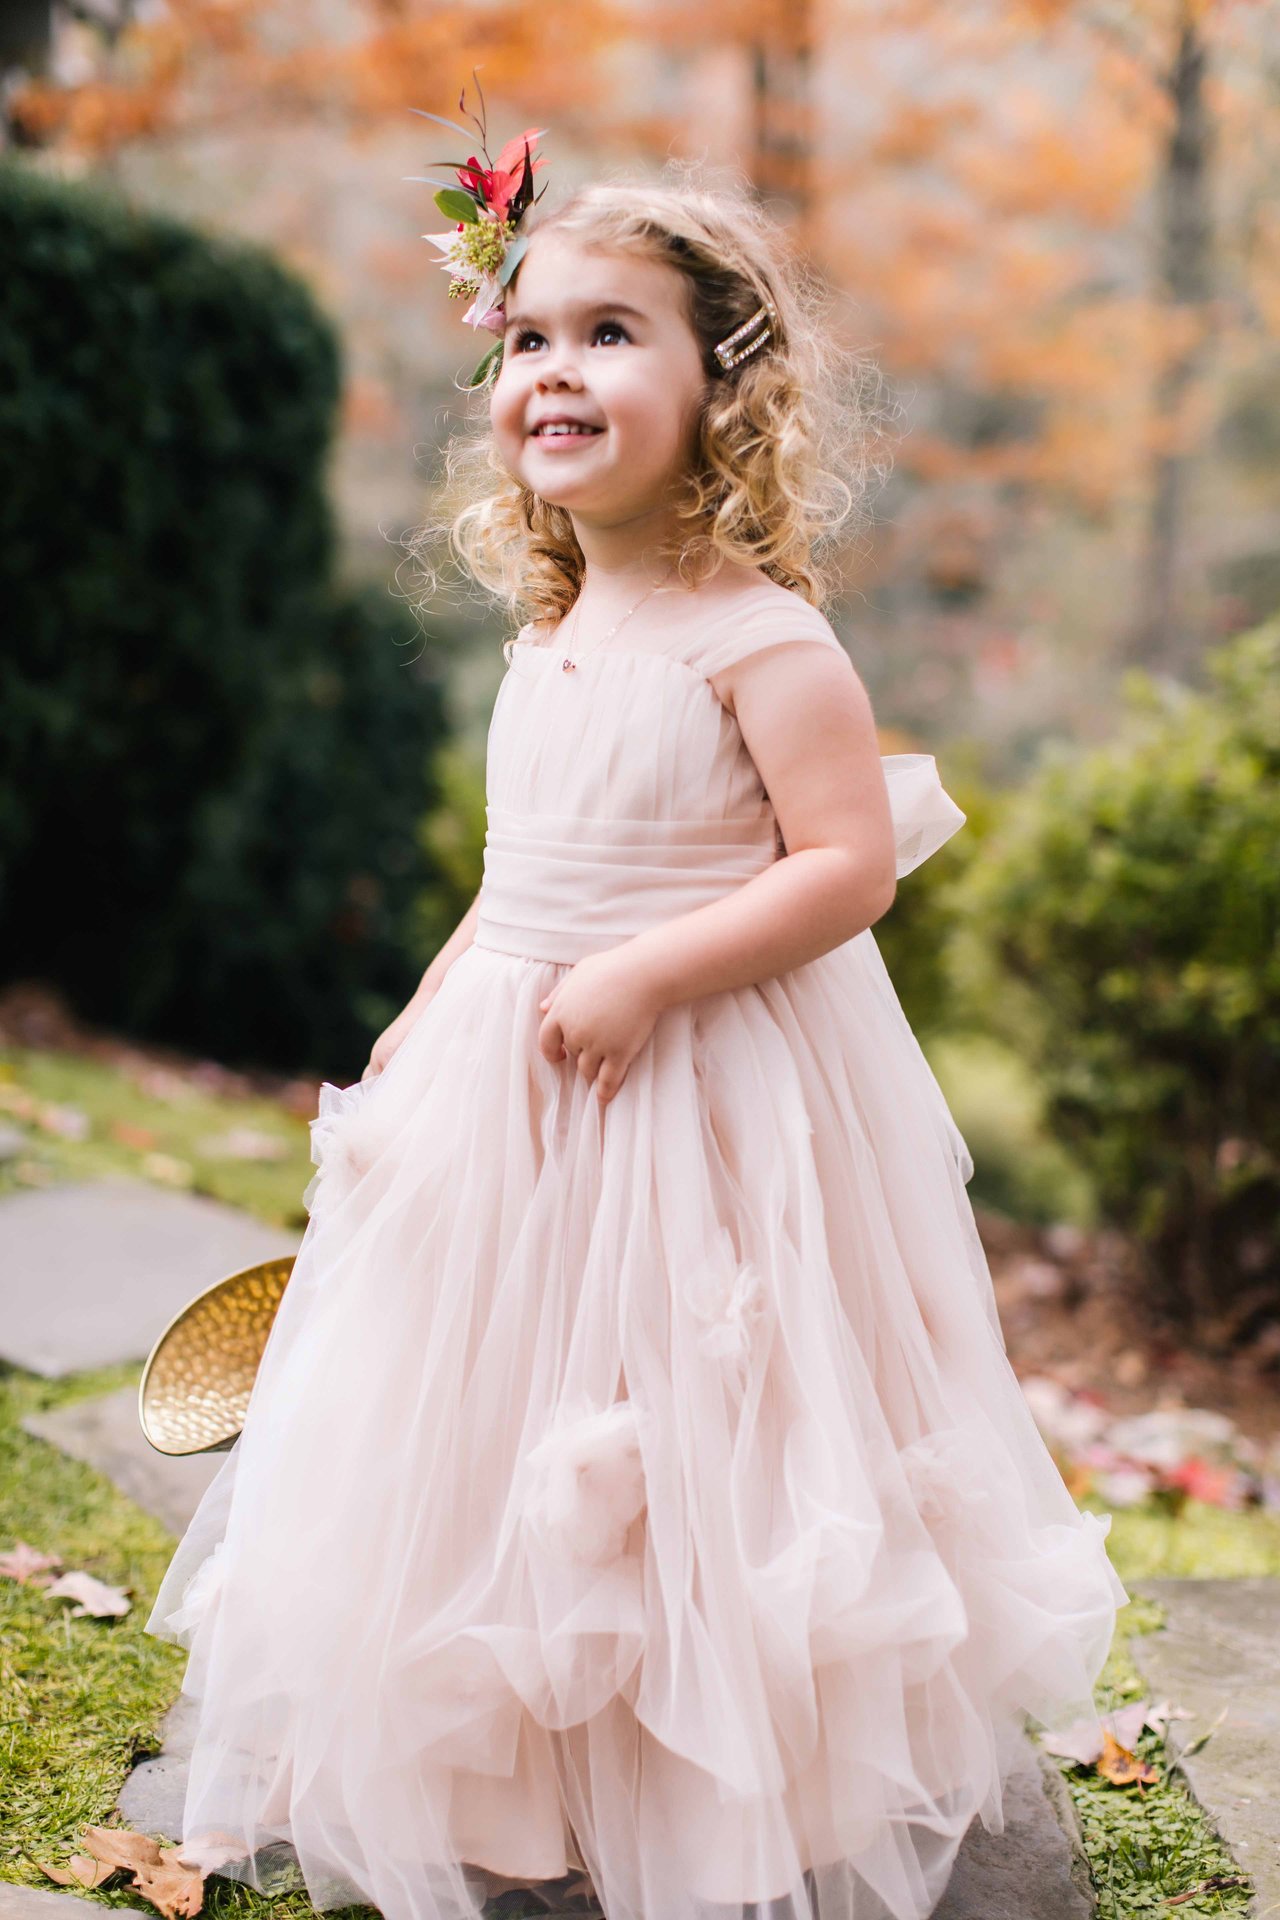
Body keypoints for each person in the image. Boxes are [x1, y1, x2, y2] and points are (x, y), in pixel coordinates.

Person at [145, 134, 1128, 1920]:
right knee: (482, 1427)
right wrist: (418, 1035)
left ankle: (700, 1780)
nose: (557, 371)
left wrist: (657, 973)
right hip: (510, 1094)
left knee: (693, 1439)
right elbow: (513, 889)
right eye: (528, 340)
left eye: (613, 334)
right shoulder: (557, 627)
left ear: (723, 387)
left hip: (699, 1096)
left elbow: (846, 870)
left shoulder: (759, 638)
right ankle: (526, 1783)